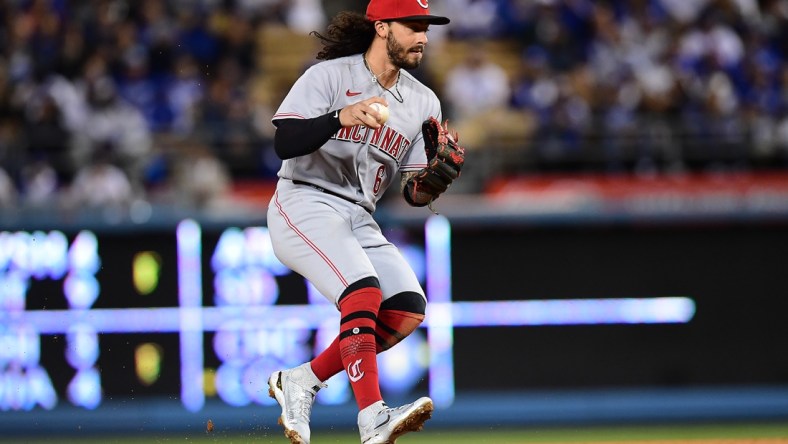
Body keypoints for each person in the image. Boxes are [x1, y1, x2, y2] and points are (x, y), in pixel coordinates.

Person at [264, 1, 464, 443]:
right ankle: (372, 417)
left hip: (359, 215)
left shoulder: (422, 100)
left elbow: (413, 191)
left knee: (406, 308)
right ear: (382, 27)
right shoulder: (331, 75)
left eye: (426, 27)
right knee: (363, 291)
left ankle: (303, 380)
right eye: (412, 25)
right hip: (304, 199)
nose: (423, 36)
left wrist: (432, 183)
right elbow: (284, 141)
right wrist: (340, 116)